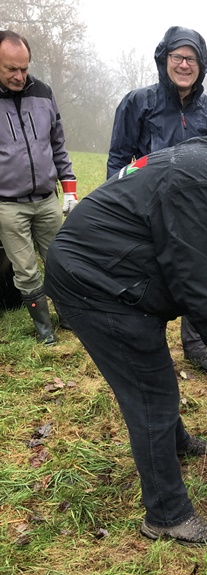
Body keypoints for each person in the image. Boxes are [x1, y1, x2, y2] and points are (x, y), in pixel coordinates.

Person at [44, 118, 207, 546]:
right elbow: (198, 286)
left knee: (153, 374)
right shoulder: (203, 179)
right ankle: (166, 514)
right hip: (95, 282)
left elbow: (196, 273)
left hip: (118, 273)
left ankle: (176, 442)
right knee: (150, 392)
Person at [107, 26, 207, 377]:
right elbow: (119, 159)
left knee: (199, 279)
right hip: (148, 210)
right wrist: (120, 208)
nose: (184, 65)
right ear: (164, 59)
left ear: (202, 65)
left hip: (196, 214)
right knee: (151, 280)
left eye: (191, 58)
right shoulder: (138, 102)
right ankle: (149, 351)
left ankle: (196, 346)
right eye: (177, 57)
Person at [0, 29, 77, 345]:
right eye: (11, 69)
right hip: (8, 205)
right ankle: (46, 333)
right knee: (27, 272)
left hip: (46, 199)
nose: (20, 76)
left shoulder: (44, 93)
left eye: (24, 68)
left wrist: (69, 188)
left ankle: (70, 319)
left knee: (61, 262)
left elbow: (57, 143)